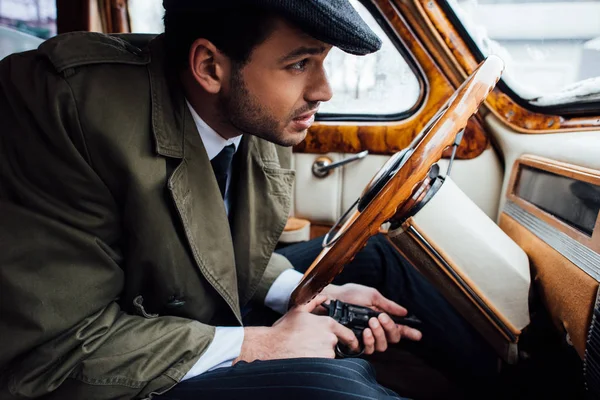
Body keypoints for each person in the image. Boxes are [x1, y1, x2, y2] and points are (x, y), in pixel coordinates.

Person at [0, 1, 497, 399]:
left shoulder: (252, 114)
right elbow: (55, 349)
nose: (323, 90)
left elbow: (219, 248)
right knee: (335, 386)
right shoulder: (67, 110)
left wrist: (303, 294)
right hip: (97, 365)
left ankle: (510, 380)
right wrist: (266, 343)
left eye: (323, 62)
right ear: (210, 66)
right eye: (300, 63)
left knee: (378, 259)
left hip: (174, 308)